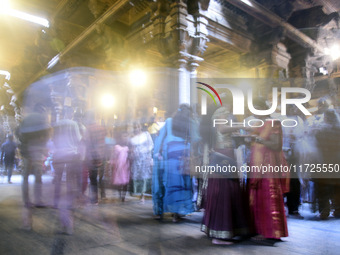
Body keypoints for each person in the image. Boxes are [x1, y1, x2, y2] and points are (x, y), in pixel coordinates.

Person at [200, 105, 249, 245]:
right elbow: (222, 129)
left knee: (226, 191)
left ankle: (220, 230)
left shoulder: (221, 113)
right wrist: (243, 126)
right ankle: (219, 235)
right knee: (224, 192)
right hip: (223, 155)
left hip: (224, 154)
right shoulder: (222, 112)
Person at [248, 97, 289, 243]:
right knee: (259, 196)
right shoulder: (261, 124)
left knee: (267, 195)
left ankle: (270, 232)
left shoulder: (273, 123)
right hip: (258, 165)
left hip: (268, 166)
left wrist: (259, 140)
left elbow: (276, 145)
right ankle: (261, 230)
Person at [153, 104, 195, 222]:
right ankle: (178, 213)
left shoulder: (169, 121)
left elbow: (160, 138)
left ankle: (161, 212)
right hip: (184, 154)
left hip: (171, 155)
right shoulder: (189, 122)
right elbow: (193, 139)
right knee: (184, 184)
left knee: (171, 183)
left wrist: (157, 153)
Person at [315, 109, 340, 219]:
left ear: (325, 118)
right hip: (337, 161)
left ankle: (324, 210)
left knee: (323, 187)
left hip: (323, 160)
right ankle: (338, 208)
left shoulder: (320, 130)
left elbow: (316, 145)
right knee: (337, 187)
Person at [83, 110, 106, 204]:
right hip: (101, 155)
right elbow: (103, 142)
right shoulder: (101, 128)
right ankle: (102, 195)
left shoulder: (88, 129)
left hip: (92, 156)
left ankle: (94, 199)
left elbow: (86, 142)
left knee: (92, 178)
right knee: (99, 177)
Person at [130, 121, 153, 204]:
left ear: (141, 127)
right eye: (135, 127)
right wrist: (134, 152)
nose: (137, 128)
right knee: (139, 176)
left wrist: (147, 153)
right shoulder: (133, 137)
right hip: (137, 159)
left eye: (138, 126)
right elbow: (132, 147)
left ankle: (143, 195)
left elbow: (150, 145)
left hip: (145, 158)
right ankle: (141, 194)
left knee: (144, 176)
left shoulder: (146, 134)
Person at [110, 130, 130, 202]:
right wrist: (113, 164)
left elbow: (128, 157)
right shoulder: (116, 147)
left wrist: (128, 165)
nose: (124, 138)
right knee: (119, 181)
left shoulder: (127, 147)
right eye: (123, 136)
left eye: (126, 136)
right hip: (118, 166)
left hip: (125, 166)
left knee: (125, 182)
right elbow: (113, 156)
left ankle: (123, 197)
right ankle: (120, 194)